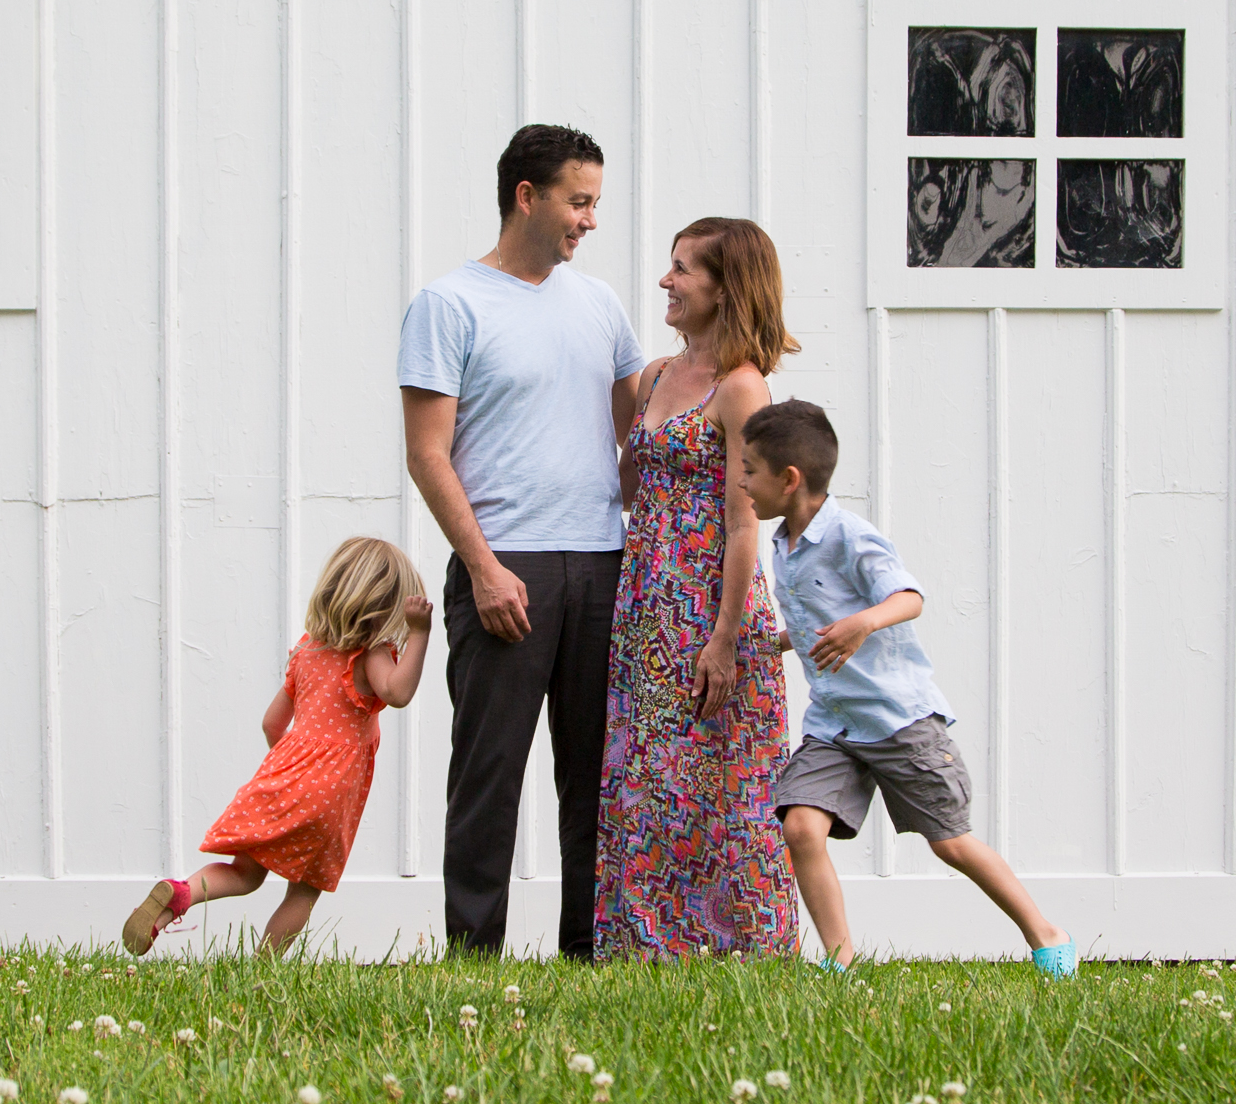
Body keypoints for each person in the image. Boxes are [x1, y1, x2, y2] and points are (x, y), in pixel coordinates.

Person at [399, 126, 649, 958]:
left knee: (596, 781)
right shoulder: (450, 304)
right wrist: (484, 568)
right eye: (580, 201)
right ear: (526, 196)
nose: (589, 220)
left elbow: (636, 441)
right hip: (505, 567)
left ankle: (590, 951)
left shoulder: (601, 305)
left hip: (602, 566)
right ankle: (473, 957)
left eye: (595, 204)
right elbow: (427, 452)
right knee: (488, 774)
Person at [735, 398, 1077, 976]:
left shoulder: (850, 536)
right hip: (835, 725)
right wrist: (769, 645)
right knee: (799, 826)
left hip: (898, 720)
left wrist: (864, 621)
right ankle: (840, 963)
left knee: (951, 843)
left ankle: (1047, 934)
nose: (741, 481)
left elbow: (909, 598)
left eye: (749, 469)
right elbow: (815, 620)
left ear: (788, 480)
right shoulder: (783, 544)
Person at [596, 219, 807, 958]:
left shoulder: (742, 389)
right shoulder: (655, 376)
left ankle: (746, 949)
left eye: (684, 270)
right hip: (644, 606)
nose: (667, 281)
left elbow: (745, 525)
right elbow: (626, 482)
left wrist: (723, 641)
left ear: (726, 288)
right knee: (647, 777)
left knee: (725, 790)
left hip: (713, 612)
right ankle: (644, 947)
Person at [121, 536, 432, 957]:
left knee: (245, 874)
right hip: (329, 791)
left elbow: (271, 723)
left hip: (278, 780)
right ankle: (262, 967)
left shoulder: (308, 650)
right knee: (302, 893)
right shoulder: (370, 653)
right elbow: (397, 693)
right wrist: (419, 634)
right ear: (384, 606)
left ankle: (181, 892)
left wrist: (293, 767)